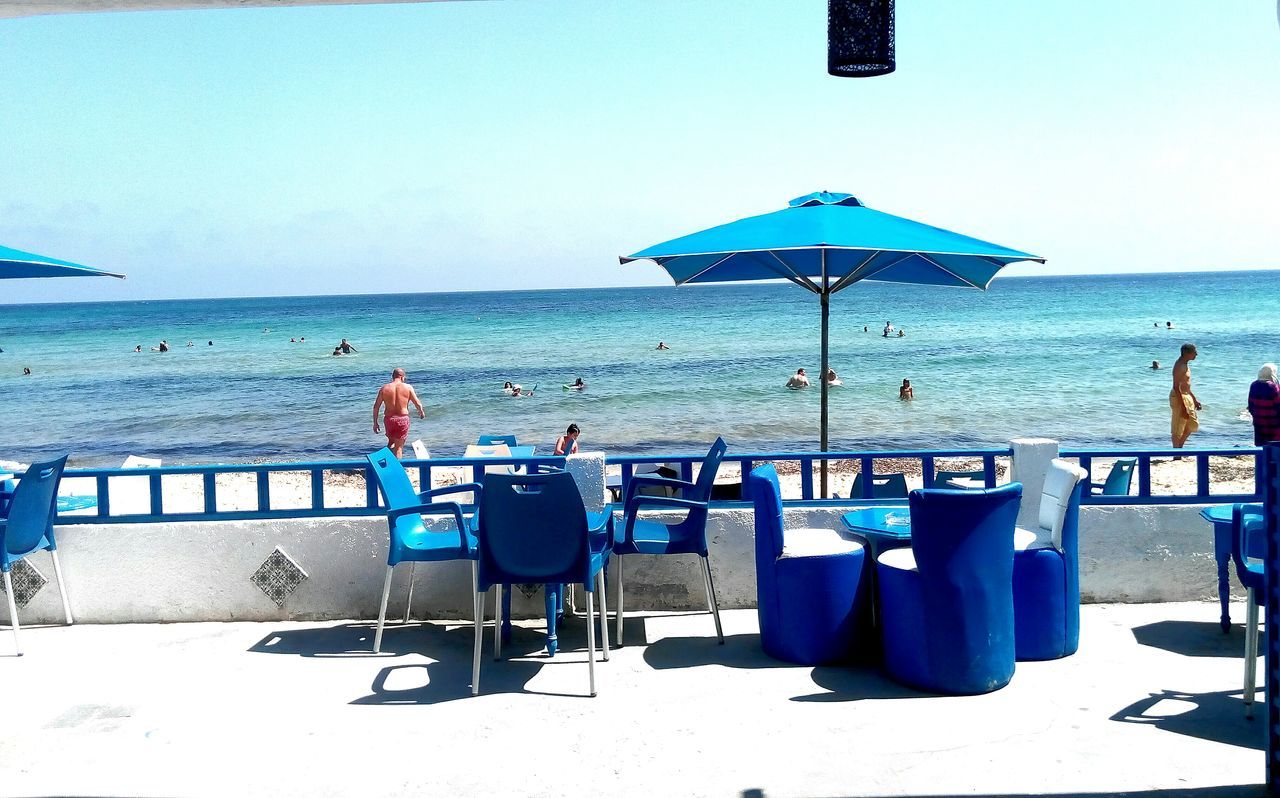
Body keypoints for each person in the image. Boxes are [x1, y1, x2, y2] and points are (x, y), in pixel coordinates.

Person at [373, 367, 426, 458]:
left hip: (389, 420)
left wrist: (375, 423)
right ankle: (397, 469)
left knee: (391, 443)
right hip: (402, 419)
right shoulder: (408, 387)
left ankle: (385, 462)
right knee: (398, 448)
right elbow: (417, 403)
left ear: (392, 377)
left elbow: (376, 407)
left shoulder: (384, 388)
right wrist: (421, 412)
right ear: (402, 377)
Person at [1170, 343, 1202, 448]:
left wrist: (1194, 400)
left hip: (1187, 396)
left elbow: (1186, 385)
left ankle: (1179, 447)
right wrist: (1183, 406)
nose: (1196, 354)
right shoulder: (1179, 366)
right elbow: (1176, 387)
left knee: (1192, 424)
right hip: (1179, 397)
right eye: (1194, 352)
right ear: (1186, 353)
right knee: (1178, 427)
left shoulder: (1185, 364)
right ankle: (1176, 452)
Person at [1248, 364, 1280, 445]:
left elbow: (1250, 405)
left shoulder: (1254, 385)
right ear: (1272, 374)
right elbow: (1278, 406)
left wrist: (1255, 415)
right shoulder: (1273, 386)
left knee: (1260, 445)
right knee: (1274, 446)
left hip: (1258, 421)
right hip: (1273, 422)